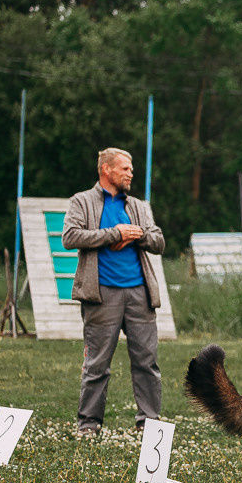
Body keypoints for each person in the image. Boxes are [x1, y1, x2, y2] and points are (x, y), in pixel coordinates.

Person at [62, 148, 166, 436]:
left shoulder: (138, 206)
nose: (130, 173)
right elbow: (70, 237)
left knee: (147, 362)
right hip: (101, 295)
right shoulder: (82, 201)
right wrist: (115, 233)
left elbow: (159, 241)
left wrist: (139, 234)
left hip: (140, 296)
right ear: (106, 170)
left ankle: (149, 422)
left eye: (131, 169)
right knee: (97, 364)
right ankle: (89, 425)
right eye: (125, 168)